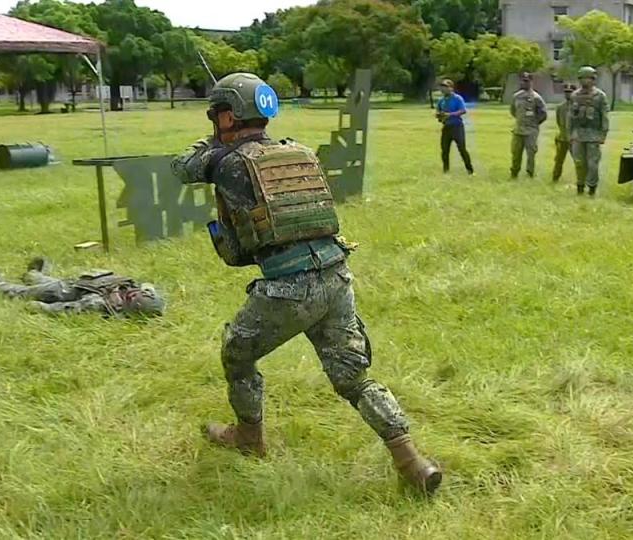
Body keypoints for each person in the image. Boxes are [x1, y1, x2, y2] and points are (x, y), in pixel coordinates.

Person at [172, 73, 442, 494]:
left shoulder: (226, 162)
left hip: (288, 286)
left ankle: (249, 436)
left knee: (237, 356)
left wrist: (212, 141)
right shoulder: (297, 151)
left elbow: (181, 168)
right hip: (336, 276)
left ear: (227, 117)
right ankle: (412, 461)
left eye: (217, 115)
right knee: (353, 378)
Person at [0, 257, 164, 317]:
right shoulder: (128, 289)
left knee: (22, 293)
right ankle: (33, 274)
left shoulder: (100, 303)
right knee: (41, 280)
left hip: (60, 292)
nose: (135, 290)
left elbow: (69, 308)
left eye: (136, 295)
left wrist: (42, 308)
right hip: (70, 283)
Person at [569, 66, 609, 196]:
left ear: (593, 79)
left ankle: (592, 188)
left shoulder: (600, 96)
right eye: (583, 78)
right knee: (579, 162)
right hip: (578, 134)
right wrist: (569, 134)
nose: (586, 81)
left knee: (593, 164)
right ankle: (580, 186)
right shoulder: (574, 96)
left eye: (589, 78)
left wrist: (603, 134)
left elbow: (604, 117)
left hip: (593, 134)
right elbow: (570, 117)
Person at [509, 72, 547, 179]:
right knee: (516, 152)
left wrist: (534, 123)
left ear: (531, 82)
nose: (523, 83)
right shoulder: (516, 96)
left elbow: (543, 114)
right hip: (518, 130)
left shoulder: (536, 98)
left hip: (531, 131)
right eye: (522, 80)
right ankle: (514, 172)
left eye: (526, 81)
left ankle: (530, 173)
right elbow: (513, 111)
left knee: (531, 153)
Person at [436, 79, 474, 175]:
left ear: (451, 88)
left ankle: (470, 170)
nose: (443, 89)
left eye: (445, 87)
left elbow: (463, 110)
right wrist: (439, 115)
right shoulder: (441, 101)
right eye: (442, 87)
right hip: (446, 127)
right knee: (445, 150)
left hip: (457, 127)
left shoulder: (457, 98)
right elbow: (438, 112)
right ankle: (446, 170)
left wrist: (450, 114)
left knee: (462, 148)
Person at [552, 85, 575, 183]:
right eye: (566, 92)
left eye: (570, 92)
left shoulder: (578, 107)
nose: (568, 94)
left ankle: (582, 180)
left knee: (578, 161)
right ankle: (555, 177)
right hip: (562, 138)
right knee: (558, 160)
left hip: (574, 139)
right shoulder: (560, 107)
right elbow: (558, 121)